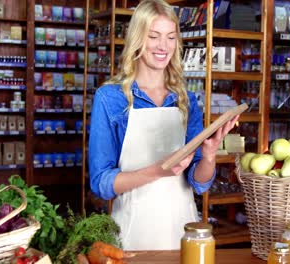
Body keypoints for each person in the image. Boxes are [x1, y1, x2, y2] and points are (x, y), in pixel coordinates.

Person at [88, 0, 238, 250]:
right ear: (137, 39)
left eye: (170, 37)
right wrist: (158, 171)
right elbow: (101, 183)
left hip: (183, 231)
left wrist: (209, 156)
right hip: (132, 232)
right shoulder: (110, 98)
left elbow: (199, 183)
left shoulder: (186, 100)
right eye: (154, 36)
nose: (163, 46)